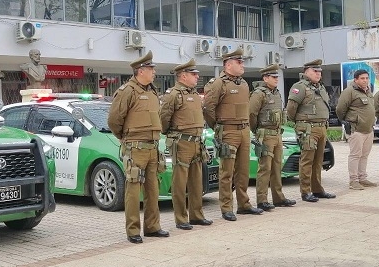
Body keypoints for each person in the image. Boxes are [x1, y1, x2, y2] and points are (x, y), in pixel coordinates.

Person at [107, 51, 169, 244]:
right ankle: (133, 230)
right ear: (140, 71)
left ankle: (152, 226)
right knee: (133, 190)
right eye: (151, 69)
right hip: (135, 148)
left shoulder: (152, 91)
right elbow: (114, 121)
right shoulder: (127, 91)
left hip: (152, 148)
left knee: (153, 189)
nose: (154, 72)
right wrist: (126, 139)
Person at [203, 48, 262, 221]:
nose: (242, 64)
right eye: (239, 62)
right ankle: (226, 207)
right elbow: (208, 109)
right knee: (226, 172)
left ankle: (244, 204)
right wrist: (218, 127)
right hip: (228, 131)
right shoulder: (218, 83)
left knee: (243, 171)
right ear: (228, 65)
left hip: (244, 131)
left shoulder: (243, 83)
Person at [160, 59, 213, 230]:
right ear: (183, 76)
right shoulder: (173, 94)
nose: (197, 76)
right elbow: (163, 119)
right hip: (181, 143)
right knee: (180, 183)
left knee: (196, 182)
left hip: (197, 143)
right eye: (193, 74)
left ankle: (196, 215)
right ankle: (181, 218)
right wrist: (171, 134)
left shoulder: (195, 94)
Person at [285, 59, 336, 203]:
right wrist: (300, 123)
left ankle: (317, 189)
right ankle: (305, 191)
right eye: (315, 71)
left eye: (320, 71)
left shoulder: (320, 87)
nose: (318, 74)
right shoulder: (300, 87)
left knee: (318, 161)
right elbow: (291, 109)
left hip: (321, 127)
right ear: (306, 71)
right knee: (307, 160)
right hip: (307, 128)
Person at [249, 63, 296, 211]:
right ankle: (262, 200)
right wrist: (257, 130)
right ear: (265, 78)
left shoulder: (276, 92)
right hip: (266, 135)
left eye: (277, 76)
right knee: (265, 168)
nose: (276, 79)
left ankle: (278, 198)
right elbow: (251, 114)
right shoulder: (259, 93)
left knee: (277, 167)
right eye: (273, 77)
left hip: (277, 135)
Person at [336, 69, 377, 190]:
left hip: (368, 129)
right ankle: (353, 181)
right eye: (362, 78)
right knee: (355, 155)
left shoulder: (368, 91)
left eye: (366, 78)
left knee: (364, 155)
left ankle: (362, 178)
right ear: (356, 79)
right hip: (356, 129)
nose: (365, 80)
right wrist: (346, 121)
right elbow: (340, 109)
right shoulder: (349, 91)